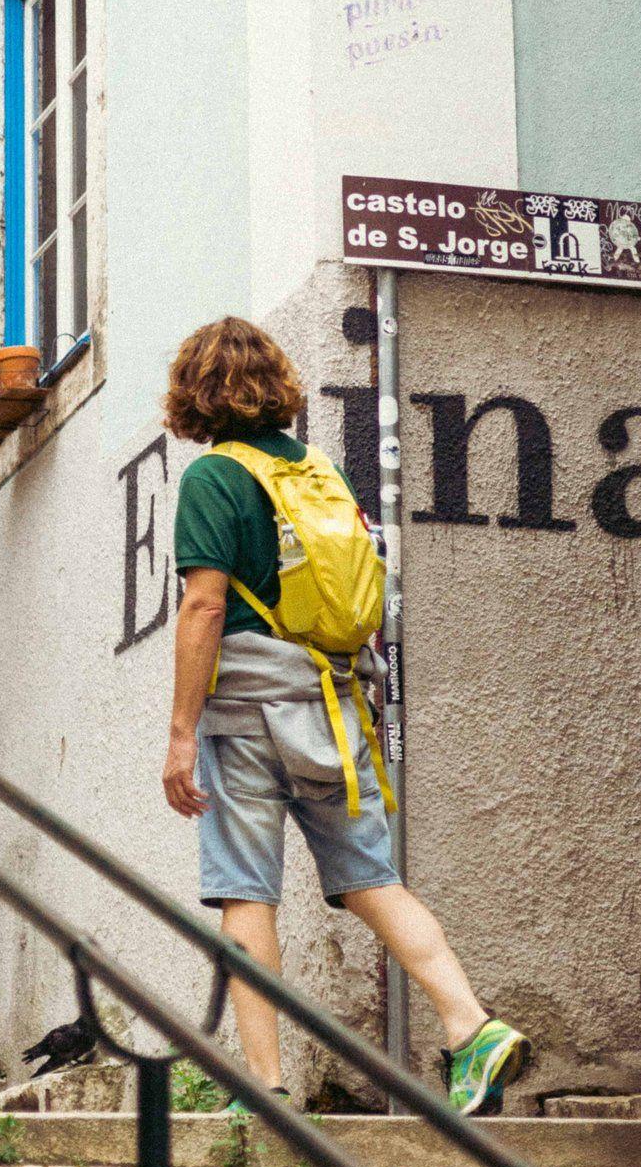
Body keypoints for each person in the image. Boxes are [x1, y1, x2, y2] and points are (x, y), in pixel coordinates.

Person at [161, 315, 531, 1115]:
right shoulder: (318, 471)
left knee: (246, 894)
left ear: (194, 394)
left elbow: (204, 607)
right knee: (373, 879)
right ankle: (471, 1025)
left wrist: (182, 732)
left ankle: (266, 1089)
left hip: (246, 713)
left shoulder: (214, 478)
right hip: (331, 704)